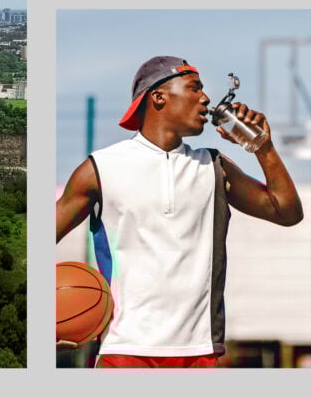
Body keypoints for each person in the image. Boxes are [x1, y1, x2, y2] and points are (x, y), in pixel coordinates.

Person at [55, 56, 303, 368]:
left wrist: (263, 148)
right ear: (158, 97)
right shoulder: (100, 168)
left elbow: (287, 212)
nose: (206, 98)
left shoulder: (215, 166)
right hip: (124, 350)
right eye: (194, 88)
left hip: (199, 351)